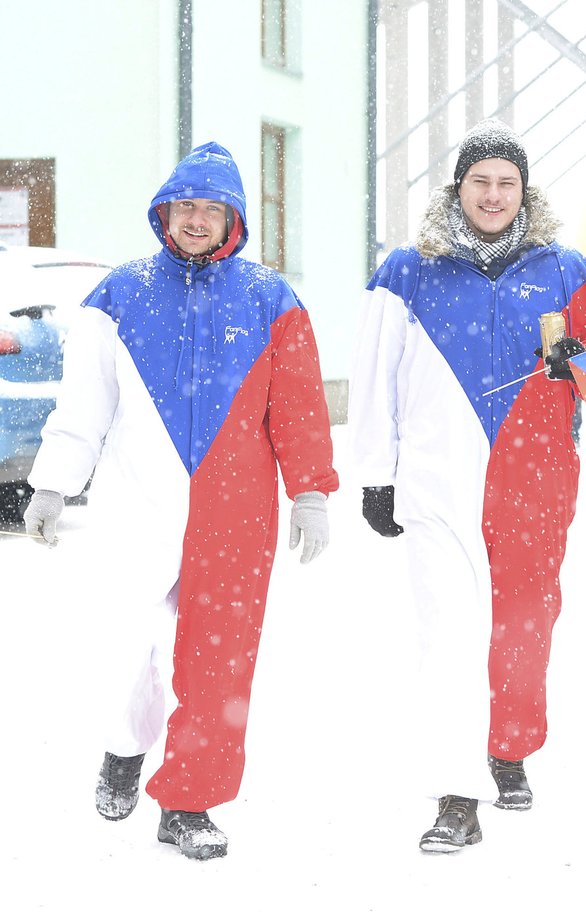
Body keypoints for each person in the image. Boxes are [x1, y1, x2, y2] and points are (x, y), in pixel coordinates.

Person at [22, 141, 339, 861]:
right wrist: (52, 481)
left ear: (234, 216)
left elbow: (297, 408)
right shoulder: (119, 293)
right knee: (130, 649)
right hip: (139, 504)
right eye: (185, 206)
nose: (196, 219)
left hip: (237, 512)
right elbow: (85, 403)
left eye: (210, 207)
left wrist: (311, 490)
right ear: (164, 211)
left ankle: (190, 801)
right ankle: (123, 748)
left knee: (219, 659)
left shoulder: (270, 299)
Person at [347, 118, 586, 852]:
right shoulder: (408, 270)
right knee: (447, 635)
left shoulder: (566, 269)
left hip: (535, 488)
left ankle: (507, 748)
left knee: (522, 631)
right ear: (459, 188)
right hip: (436, 486)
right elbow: (374, 379)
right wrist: (375, 475)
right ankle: (454, 795)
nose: (494, 195)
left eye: (508, 183)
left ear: (524, 192)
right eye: (482, 181)